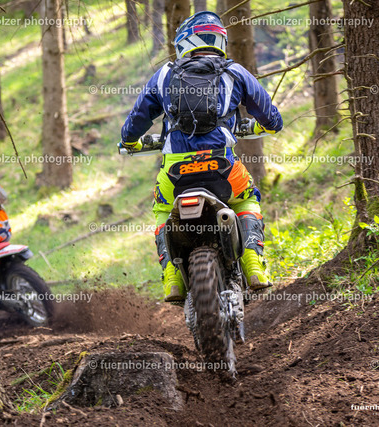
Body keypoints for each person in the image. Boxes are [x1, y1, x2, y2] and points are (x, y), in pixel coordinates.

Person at [120, 11, 283, 302]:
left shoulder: (165, 74)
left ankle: (172, 278)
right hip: (223, 168)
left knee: (162, 211)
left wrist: (129, 142)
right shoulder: (235, 72)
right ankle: (253, 265)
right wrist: (261, 127)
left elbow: (137, 119)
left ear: (184, 43)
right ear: (220, 41)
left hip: (176, 173)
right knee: (247, 199)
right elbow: (272, 118)